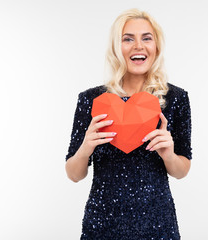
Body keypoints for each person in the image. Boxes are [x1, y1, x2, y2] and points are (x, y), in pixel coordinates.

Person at [65, 8, 192, 240]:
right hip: (102, 225)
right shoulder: (91, 100)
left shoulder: (176, 98)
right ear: (116, 47)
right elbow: (73, 174)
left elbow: (182, 170)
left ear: (156, 47)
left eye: (146, 38)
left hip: (158, 225)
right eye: (128, 39)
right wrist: (85, 148)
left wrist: (169, 155)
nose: (138, 46)